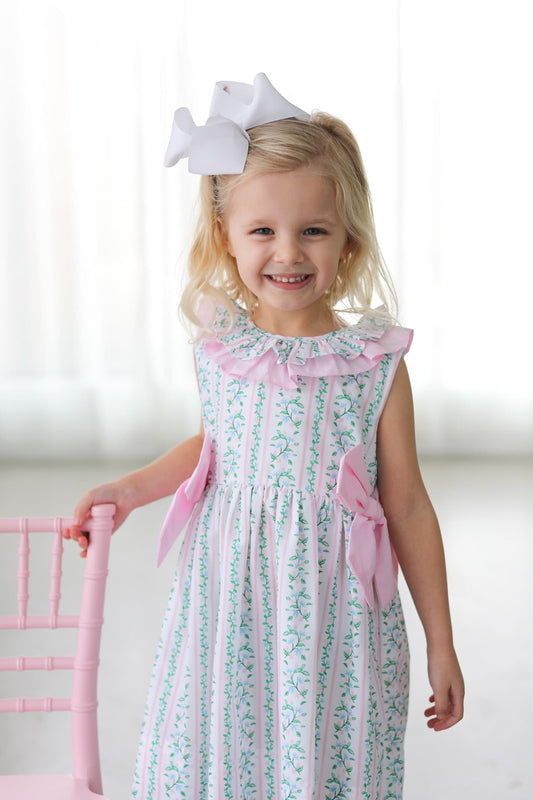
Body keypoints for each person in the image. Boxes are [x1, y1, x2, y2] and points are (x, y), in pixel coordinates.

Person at [65, 73, 464, 799]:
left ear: (347, 240)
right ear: (225, 235)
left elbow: (405, 505)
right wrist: (129, 491)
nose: (288, 252)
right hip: (231, 596)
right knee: (224, 744)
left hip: (336, 608)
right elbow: (212, 447)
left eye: (313, 229)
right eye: (263, 231)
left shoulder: (374, 365)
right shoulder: (221, 347)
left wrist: (440, 639)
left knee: (325, 752)